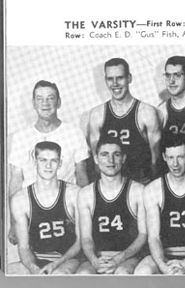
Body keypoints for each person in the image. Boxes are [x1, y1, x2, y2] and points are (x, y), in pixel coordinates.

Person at [8, 80, 90, 244]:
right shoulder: (21, 137)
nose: (45, 103)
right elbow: (16, 180)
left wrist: (85, 217)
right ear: (33, 104)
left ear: (58, 102)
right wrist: (13, 222)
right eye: (40, 99)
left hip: (66, 211)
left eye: (50, 98)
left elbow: (81, 176)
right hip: (31, 212)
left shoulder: (74, 133)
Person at [134, 134, 185, 275]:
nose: (175, 164)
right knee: (143, 271)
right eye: (171, 158)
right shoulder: (153, 189)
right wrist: (162, 264)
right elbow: (153, 237)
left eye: (180, 157)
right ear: (164, 157)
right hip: (163, 255)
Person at [7, 142, 82, 274]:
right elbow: (24, 247)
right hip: (37, 258)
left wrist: (55, 264)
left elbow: (81, 241)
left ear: (60, 163)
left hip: (68, 259)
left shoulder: (74, 194)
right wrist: (33, 268)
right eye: (43, 160)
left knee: (58, 275)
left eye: (53, 160)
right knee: (9, 271)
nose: (48, 166)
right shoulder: (20, 199)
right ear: (34, 161)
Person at [76, 136, 147, 274]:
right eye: (104, 154)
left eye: (116, 154)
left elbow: (143, 235)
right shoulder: (86, 194)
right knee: (83, 275)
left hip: (129, 257)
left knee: (122, 273)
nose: (111, 160)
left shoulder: (138, 190)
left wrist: (120, 258)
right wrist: (93, 259)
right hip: (99, 256)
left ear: (124, 158)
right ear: (96, 159)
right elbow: (86, 237)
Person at [87, 57, 161, 184]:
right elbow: (96, 162)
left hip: (140, 182)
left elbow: (156, 161)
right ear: (105, 81)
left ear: (129, 78)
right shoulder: (97, 114)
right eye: (110, 79)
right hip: (111, 185)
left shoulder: (146, 112)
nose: (115, 83)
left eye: (120, 78)